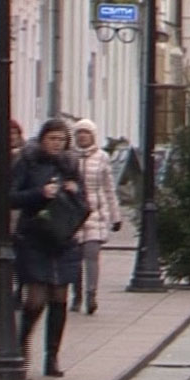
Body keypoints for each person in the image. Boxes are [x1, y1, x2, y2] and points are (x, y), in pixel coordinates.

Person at [11, 119, 86, 378]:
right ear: (42, 139)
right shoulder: (27, 162)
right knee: (35, 298)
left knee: (59, 297)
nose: (57, 144)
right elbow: (11, 197)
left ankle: (52, 356)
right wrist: (40, 193)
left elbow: (83, 204)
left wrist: (74, 191)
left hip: (63, 238)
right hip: (35, 236)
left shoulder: (70, 165)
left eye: (61, 140)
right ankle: (22, 344)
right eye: (52, 138)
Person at [69, 120, 121, 316]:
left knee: (91, 255)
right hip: (73, 215)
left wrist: (115, 216)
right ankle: (77, 295)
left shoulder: (102, 158)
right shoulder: (69, 156)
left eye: (86, 133)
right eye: (79, 133)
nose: (82, 136)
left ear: (93, 136)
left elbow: (109, 188)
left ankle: (91, 295)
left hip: (95, 214)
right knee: (75, 258)